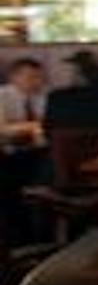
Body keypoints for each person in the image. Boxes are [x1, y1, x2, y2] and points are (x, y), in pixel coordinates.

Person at [1, 57, 50, 239]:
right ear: (14, 77)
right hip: (8, 152)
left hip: (35, 152)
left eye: (39, 77)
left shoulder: (44, 96)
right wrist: (32, 127)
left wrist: (32, 128)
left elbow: (48, 125)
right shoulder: (3, 96)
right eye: (30, 77)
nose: (36, 82)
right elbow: (2, 130)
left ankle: (39, 232)